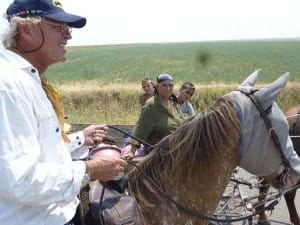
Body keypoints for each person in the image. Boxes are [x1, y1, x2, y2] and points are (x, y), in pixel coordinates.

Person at [0, 0, 127, 225]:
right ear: (27, 30)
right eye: (59, 27)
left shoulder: (28, 79)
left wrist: (80, 139)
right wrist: (90, 170)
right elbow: (19, 181)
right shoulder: (8, 85)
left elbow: (40, 152)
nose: (68, 36)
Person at [124, 74, 186, 157]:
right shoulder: (151, 105)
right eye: (164, 85)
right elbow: (140, 128)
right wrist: (132, 151)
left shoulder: (173, 103)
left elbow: (183, 120)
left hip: (177, 146)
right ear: (157, 87)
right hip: (159, 151)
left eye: (170, 85)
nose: (168, 88)